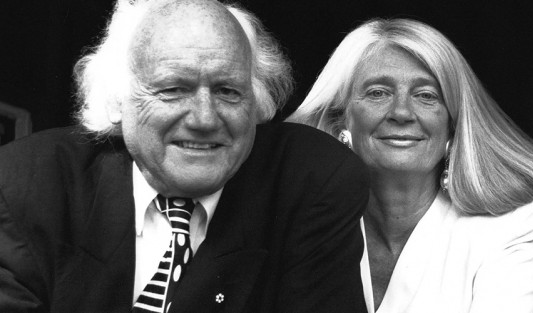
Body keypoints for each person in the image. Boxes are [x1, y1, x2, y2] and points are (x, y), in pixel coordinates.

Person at [0, 0, 369, 312]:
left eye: (228, 91)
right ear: (117, 99)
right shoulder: (28, 184)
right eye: (174, 89)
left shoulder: (310, 181)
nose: (205, 119)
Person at [287, 18, 533, 313]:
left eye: (426, 95)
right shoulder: (299, 224)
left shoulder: (513, 227)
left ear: (453, 125)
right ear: (339, 119)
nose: (402, 112)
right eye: (378, 92)